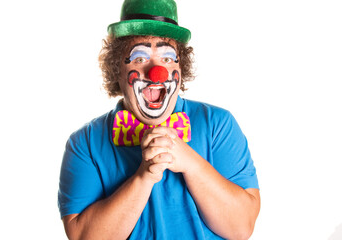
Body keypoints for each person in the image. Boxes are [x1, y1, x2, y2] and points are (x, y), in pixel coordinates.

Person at [58, 0, 260, 239]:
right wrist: (145, 176)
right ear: (116, 71)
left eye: (167, 59)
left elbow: (241, 227)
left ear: (181, 66)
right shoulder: (85, 143)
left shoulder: (218, 125)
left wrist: (191, 163)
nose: (157, 73)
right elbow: (83, 237)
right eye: (140, 59)